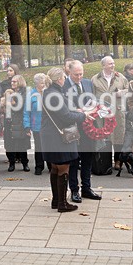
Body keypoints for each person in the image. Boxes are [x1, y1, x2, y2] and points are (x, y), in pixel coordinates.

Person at [41, 67, 87, 212]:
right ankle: (62, 204)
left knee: (55, 168)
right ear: (60, 79)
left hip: (50, 135)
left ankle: (56, 201)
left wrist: (76, 110)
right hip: (59, 136)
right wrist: (83, 116)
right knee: (63, 168)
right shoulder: (55, 95)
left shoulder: (49, 92)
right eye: (64, 77)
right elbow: (66, 117)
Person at [62, 60, 101, 202]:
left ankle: (87, 188)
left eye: (81, 74)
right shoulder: (63, 86)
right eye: (75, 74)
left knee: (87, 159)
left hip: (88, 127)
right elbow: (62, 108)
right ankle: (74, 190)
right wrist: (77, 111)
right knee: (73, 160)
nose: (79, 77)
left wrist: (96, 107)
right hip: (72, 127)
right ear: (69, 72)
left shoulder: (87, 83)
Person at [92, 56, 127, 171]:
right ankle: (105, 161)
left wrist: (122, 92)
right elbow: (91, 96)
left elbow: (129, 89)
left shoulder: (120, 77)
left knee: (118, 136)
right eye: (110, 64)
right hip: (102, 114)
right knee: (104, 137)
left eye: (113, 63)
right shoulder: (95, 79)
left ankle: (117, 161)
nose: (113, 65)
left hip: (117, 112)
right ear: (103, 66)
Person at [2, 75, 31, 172]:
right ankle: (11, 163)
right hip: (9, 121)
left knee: (22, 144)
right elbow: (4, 104)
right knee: (10, 144)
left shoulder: (24, 93)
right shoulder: (9, 92)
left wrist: (11, 101)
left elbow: (20, 105)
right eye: (12, 82)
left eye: (15, 81)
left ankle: (25, 163)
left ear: (20, 82)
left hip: (20, 121)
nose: (12, 83)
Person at [24, 73, 49, 175]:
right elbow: (26, 111)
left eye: (44, 83)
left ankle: (51, 165)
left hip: (48, 125)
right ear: (36, 83)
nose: (43, 85)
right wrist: (27, 126)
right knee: (39, 147)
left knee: (49, 146)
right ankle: (39, 166)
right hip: (37, 125)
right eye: (41, 83)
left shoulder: (49, 93)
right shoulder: (31, 95)